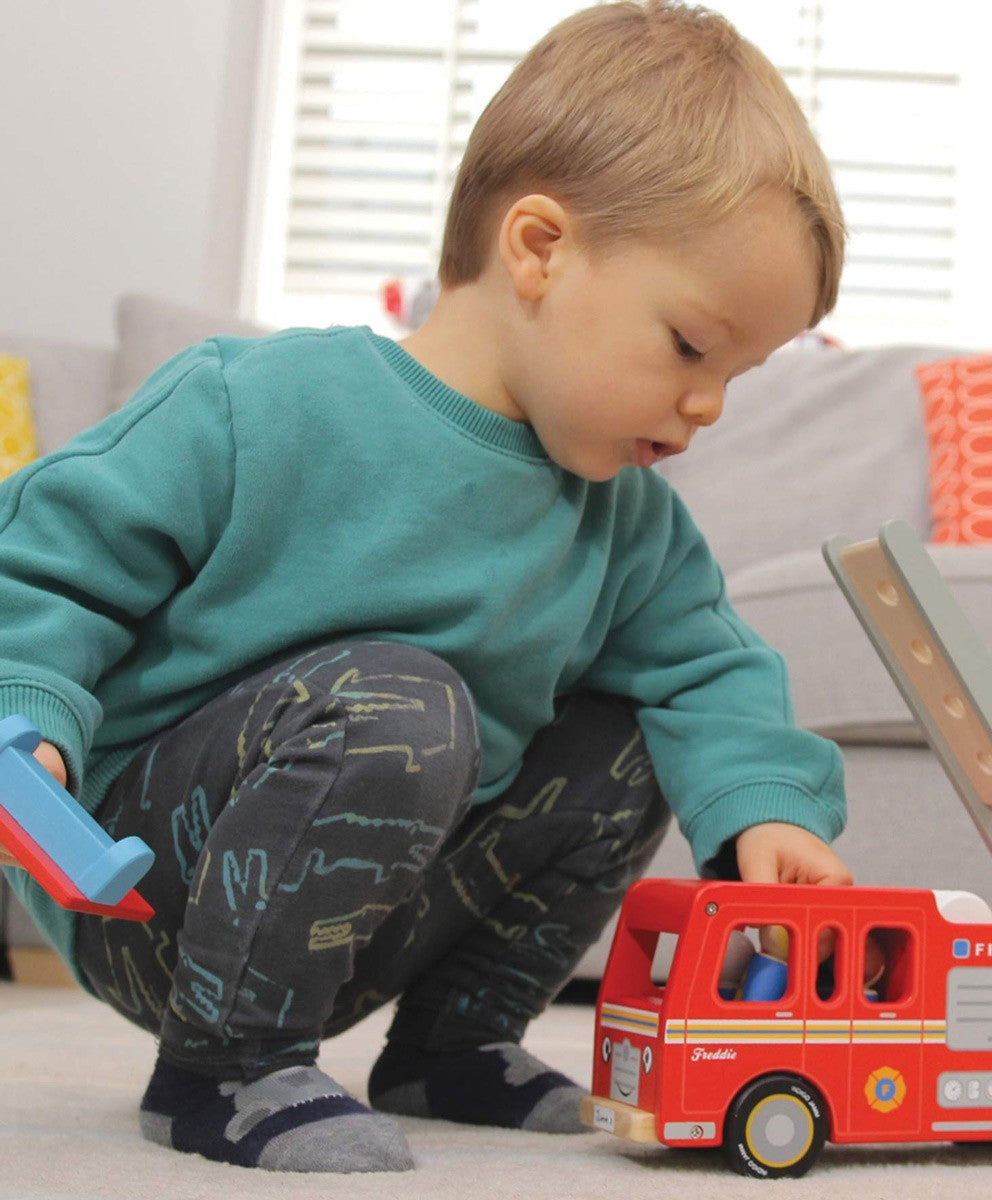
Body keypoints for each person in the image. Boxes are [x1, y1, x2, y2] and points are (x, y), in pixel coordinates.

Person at [0, 0, 849, 1175]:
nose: (708, 405)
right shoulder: (263, 406)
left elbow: (711, 673)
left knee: (638, 732)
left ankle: (454, 1045)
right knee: (407, 700)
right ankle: (222, 1066)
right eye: (692, 348)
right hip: (153, 901)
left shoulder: (628, 526)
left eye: (737, 376)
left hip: (366, 915)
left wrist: (768, 811)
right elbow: (56, 554)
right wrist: (29, 710)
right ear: (539, 249)